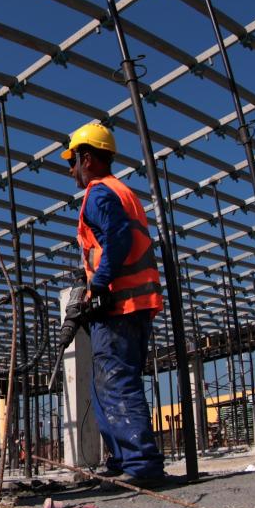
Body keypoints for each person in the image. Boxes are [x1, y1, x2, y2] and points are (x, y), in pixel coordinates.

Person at [61, 122, 168, 487]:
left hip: (119, 305)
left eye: (72, 162)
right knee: (104, 384)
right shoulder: (123, 192)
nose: (71, 170)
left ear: (87, 158)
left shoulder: (99, 194)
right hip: (135, 302)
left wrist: (99, 284)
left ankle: (141, 465)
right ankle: (122, 460)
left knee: (116, 382)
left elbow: (118, 239)